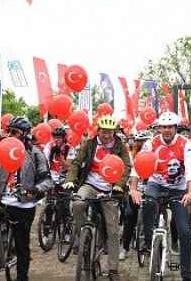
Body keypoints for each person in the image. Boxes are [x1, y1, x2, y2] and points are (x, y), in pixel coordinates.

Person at [0, 117, 52, 281]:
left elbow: (47, 181)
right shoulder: (2, 148)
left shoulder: (36, 153)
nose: (10, 135)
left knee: (22, 246)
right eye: (9, 131)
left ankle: (22, 277)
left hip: (23, 206)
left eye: (14, 132)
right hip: (0, 201)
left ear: (25, 134)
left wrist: (35, 190)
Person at [130, 111, 191, 281]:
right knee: (148, 202)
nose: (167, 130)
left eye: (170, 127)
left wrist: (190, 192)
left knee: (185, 231)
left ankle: (186, 274)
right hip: (156, 184)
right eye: (164, 127)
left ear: (175, 128)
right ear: (159, 128)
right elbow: (138, 165)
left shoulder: (185, 143)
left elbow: (190, 169)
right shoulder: (151, 143)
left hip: (178, 188)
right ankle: (148, 240)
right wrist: (134, 189)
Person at [64, 115, 131, 281]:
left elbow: (127, 166)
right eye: (103, 131)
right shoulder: (90, 143)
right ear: (98, 130)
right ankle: (83, 236)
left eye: (110, 132)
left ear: (114, 132)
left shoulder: (120, 146)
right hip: (90, 185)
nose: (106, 135)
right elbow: (76, 163)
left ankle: (113, 269)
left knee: (113, 230)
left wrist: (119, 185)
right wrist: (70, 180)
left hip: (110, 189)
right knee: (78, 202)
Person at [120, 130, 151, 260]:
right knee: (130, 216)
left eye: (144, 141)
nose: (142, 144)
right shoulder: (132, 156)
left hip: (150, 190)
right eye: (140, 142)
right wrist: (132, 188)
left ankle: (149, 244)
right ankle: (125, 247)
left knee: (150, 217)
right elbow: (129, 173)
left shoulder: (154, 154)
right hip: (135, 190)